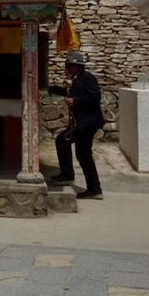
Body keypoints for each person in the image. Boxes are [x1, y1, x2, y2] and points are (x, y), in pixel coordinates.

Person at [48, 51, 104, 199]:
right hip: (82, 124)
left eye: (68, 66)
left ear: (75, 66)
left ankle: (93, 188)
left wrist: (75, 101)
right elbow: (71, 93)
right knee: (66, 143)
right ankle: (73, 177)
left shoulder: (87, 77)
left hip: (87, 123)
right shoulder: (77, 79)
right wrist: (53, 89)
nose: (66, 69)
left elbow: (95, 96)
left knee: (82, 153)